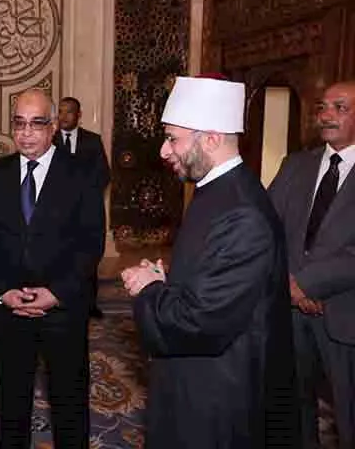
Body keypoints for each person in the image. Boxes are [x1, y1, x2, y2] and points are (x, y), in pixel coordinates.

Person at [121, 76, 299, 448]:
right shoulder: (215, 190)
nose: (164, 151)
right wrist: (166, 279)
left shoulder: (243, 213)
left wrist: (149, 289)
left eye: (173, 139)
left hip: (217, 399)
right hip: (198, 381)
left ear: (212, 139)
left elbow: (200, 321)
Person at [0, 88, 106, 449]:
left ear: (53, 126)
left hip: (63, 309)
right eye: (19, 124)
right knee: (11, 402)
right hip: (10, 309)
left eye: (36, 124)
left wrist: (57, 293)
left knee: (69, 402)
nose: (26, 133)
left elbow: (91, 243)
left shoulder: (82, 174)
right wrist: (3, 291)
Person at [268, 80, 355, 449]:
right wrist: (289, 283)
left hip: (345, 316)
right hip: (289, 314)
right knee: (292, 413)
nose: (326, 115)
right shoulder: (295, 165)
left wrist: (307, 283)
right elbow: (265, 228)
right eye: (322, 107)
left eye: (340, 107)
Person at [53, 96, 111, 318]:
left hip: (87, 211)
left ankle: (90, 305)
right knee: (59, 257)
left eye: (69, 112)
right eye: (60, 111)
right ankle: (58, 301)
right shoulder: (49, 139)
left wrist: (84, 196)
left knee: (87, 257)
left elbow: (103, 174)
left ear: (79, 115)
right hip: (57, 210)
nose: (63, 116)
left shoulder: (92, 140)